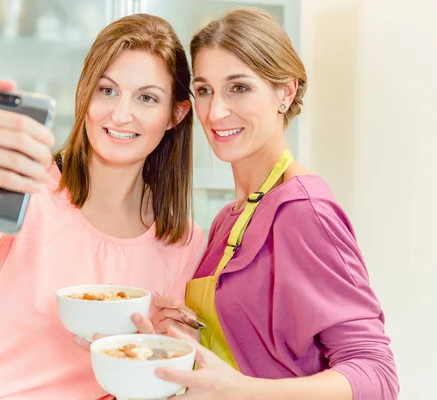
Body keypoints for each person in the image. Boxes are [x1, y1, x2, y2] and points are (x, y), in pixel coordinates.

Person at [0, 13, 205, 399]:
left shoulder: (181, 242)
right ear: (84, 93)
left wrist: (153, 358)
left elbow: (153, 385)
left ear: (175, 115)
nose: (120, 114)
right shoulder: (28, 182)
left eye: (146, 98)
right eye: (107, 90)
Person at [141, 8, 399, 400]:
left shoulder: (302, 209)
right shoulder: (230, 218)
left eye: (238, 88)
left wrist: (243, 390)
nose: (215, 111)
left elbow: (377, 375)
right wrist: (184, 334)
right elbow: (256, 350)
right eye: (205, 90)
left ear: (286, 92)